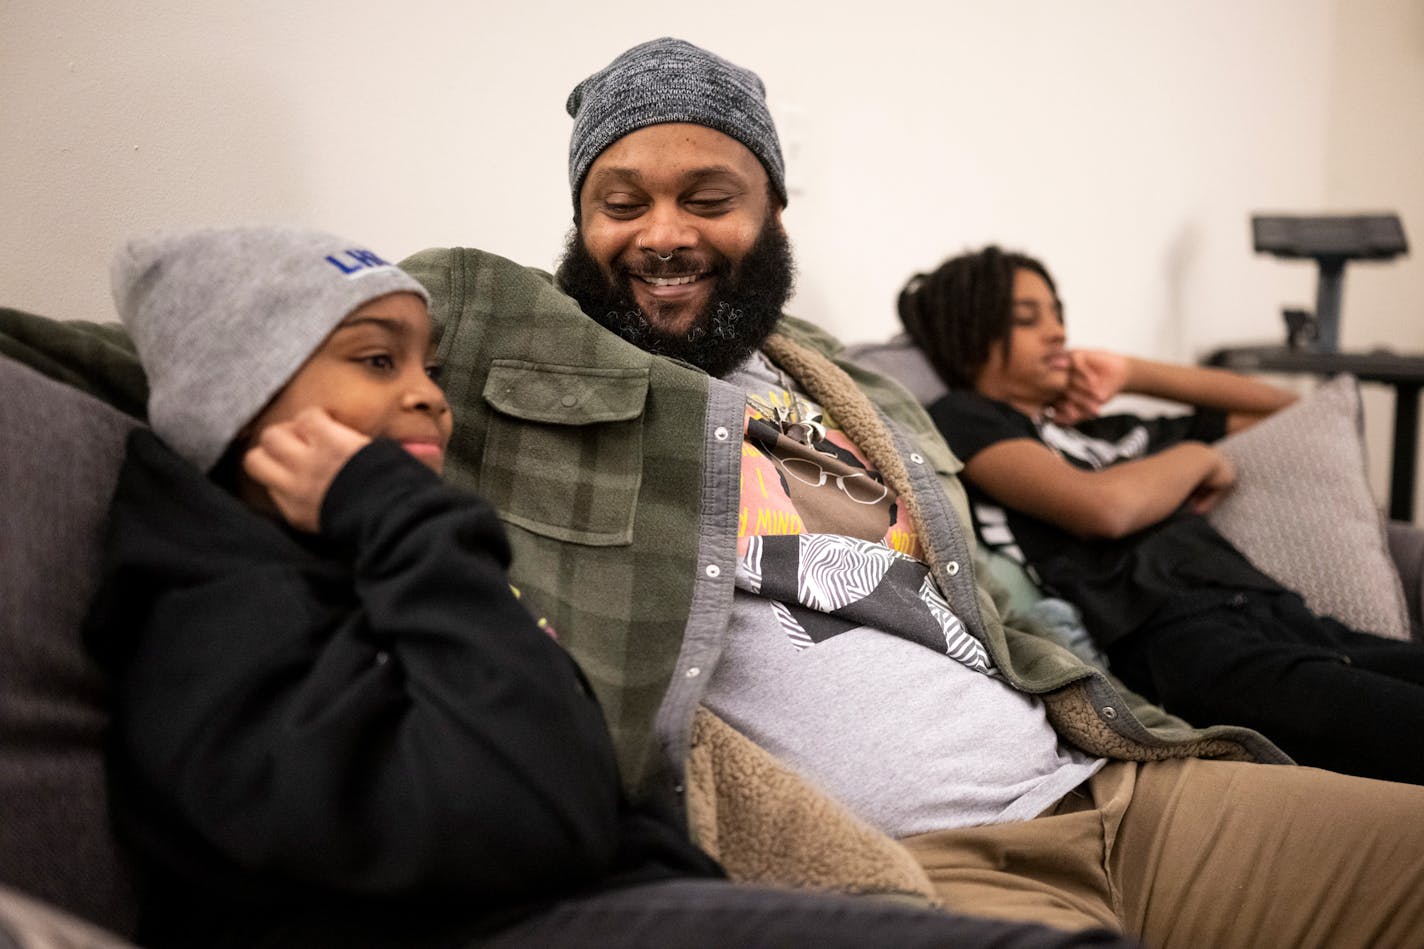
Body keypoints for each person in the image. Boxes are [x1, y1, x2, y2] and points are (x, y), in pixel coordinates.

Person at [400, 38, 1424, 946]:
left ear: (772, 211)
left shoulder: (855, 388)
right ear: (578, 223)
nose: (663, 233)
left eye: (707, 199)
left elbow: (994, 599)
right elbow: (383, 304)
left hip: (1114, 787)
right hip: (922, 861)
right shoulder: (529, 380)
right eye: (619, 204)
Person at [82, 225, 1123, 949]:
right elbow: (535, 810)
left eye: (428, 367)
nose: (425, 398)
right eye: (373, 357)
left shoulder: (356, 566)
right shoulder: (212, 619)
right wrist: (409, 524)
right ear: (239, 400)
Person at [897, 244, 1424, 787]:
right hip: (1186, 642)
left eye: (1058, 314)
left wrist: (1130, 373)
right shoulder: (966, 419)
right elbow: (1103, 508)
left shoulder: (1114, 432)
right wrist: (1198, 458)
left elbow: (1305, 416)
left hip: (1284, 613)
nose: (1056, 332)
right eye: (1026, 320)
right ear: (969, 334)